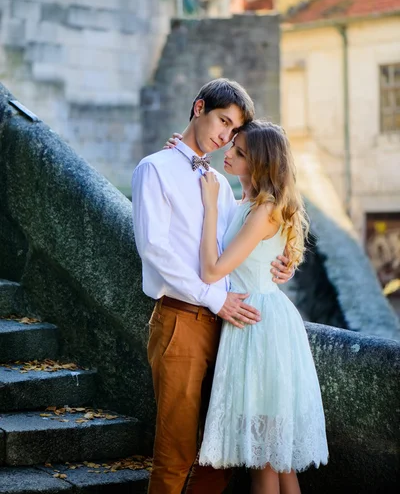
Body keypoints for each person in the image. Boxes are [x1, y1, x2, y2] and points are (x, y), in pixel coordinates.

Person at [131, 79, 293, 494]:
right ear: (199, 106)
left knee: (219, 453)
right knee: (176, 453)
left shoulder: (219, 184)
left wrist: (282, 261)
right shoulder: (155, 168)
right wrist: (215, 299)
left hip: (231, 327)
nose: (224, 136)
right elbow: (155, 251)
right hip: (182, 320)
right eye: (222, 121)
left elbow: (235, 246)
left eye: (233, 131)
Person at [194, 120, 329, 494]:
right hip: (258, 320)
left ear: (260, 163)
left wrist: (208, 209)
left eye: (239, 152)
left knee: (265, 460)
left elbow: (212, 269)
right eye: (231, 146)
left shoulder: (263, 210)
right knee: (278, 461)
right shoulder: (251, 205)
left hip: (260, 327)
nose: (228, 153)